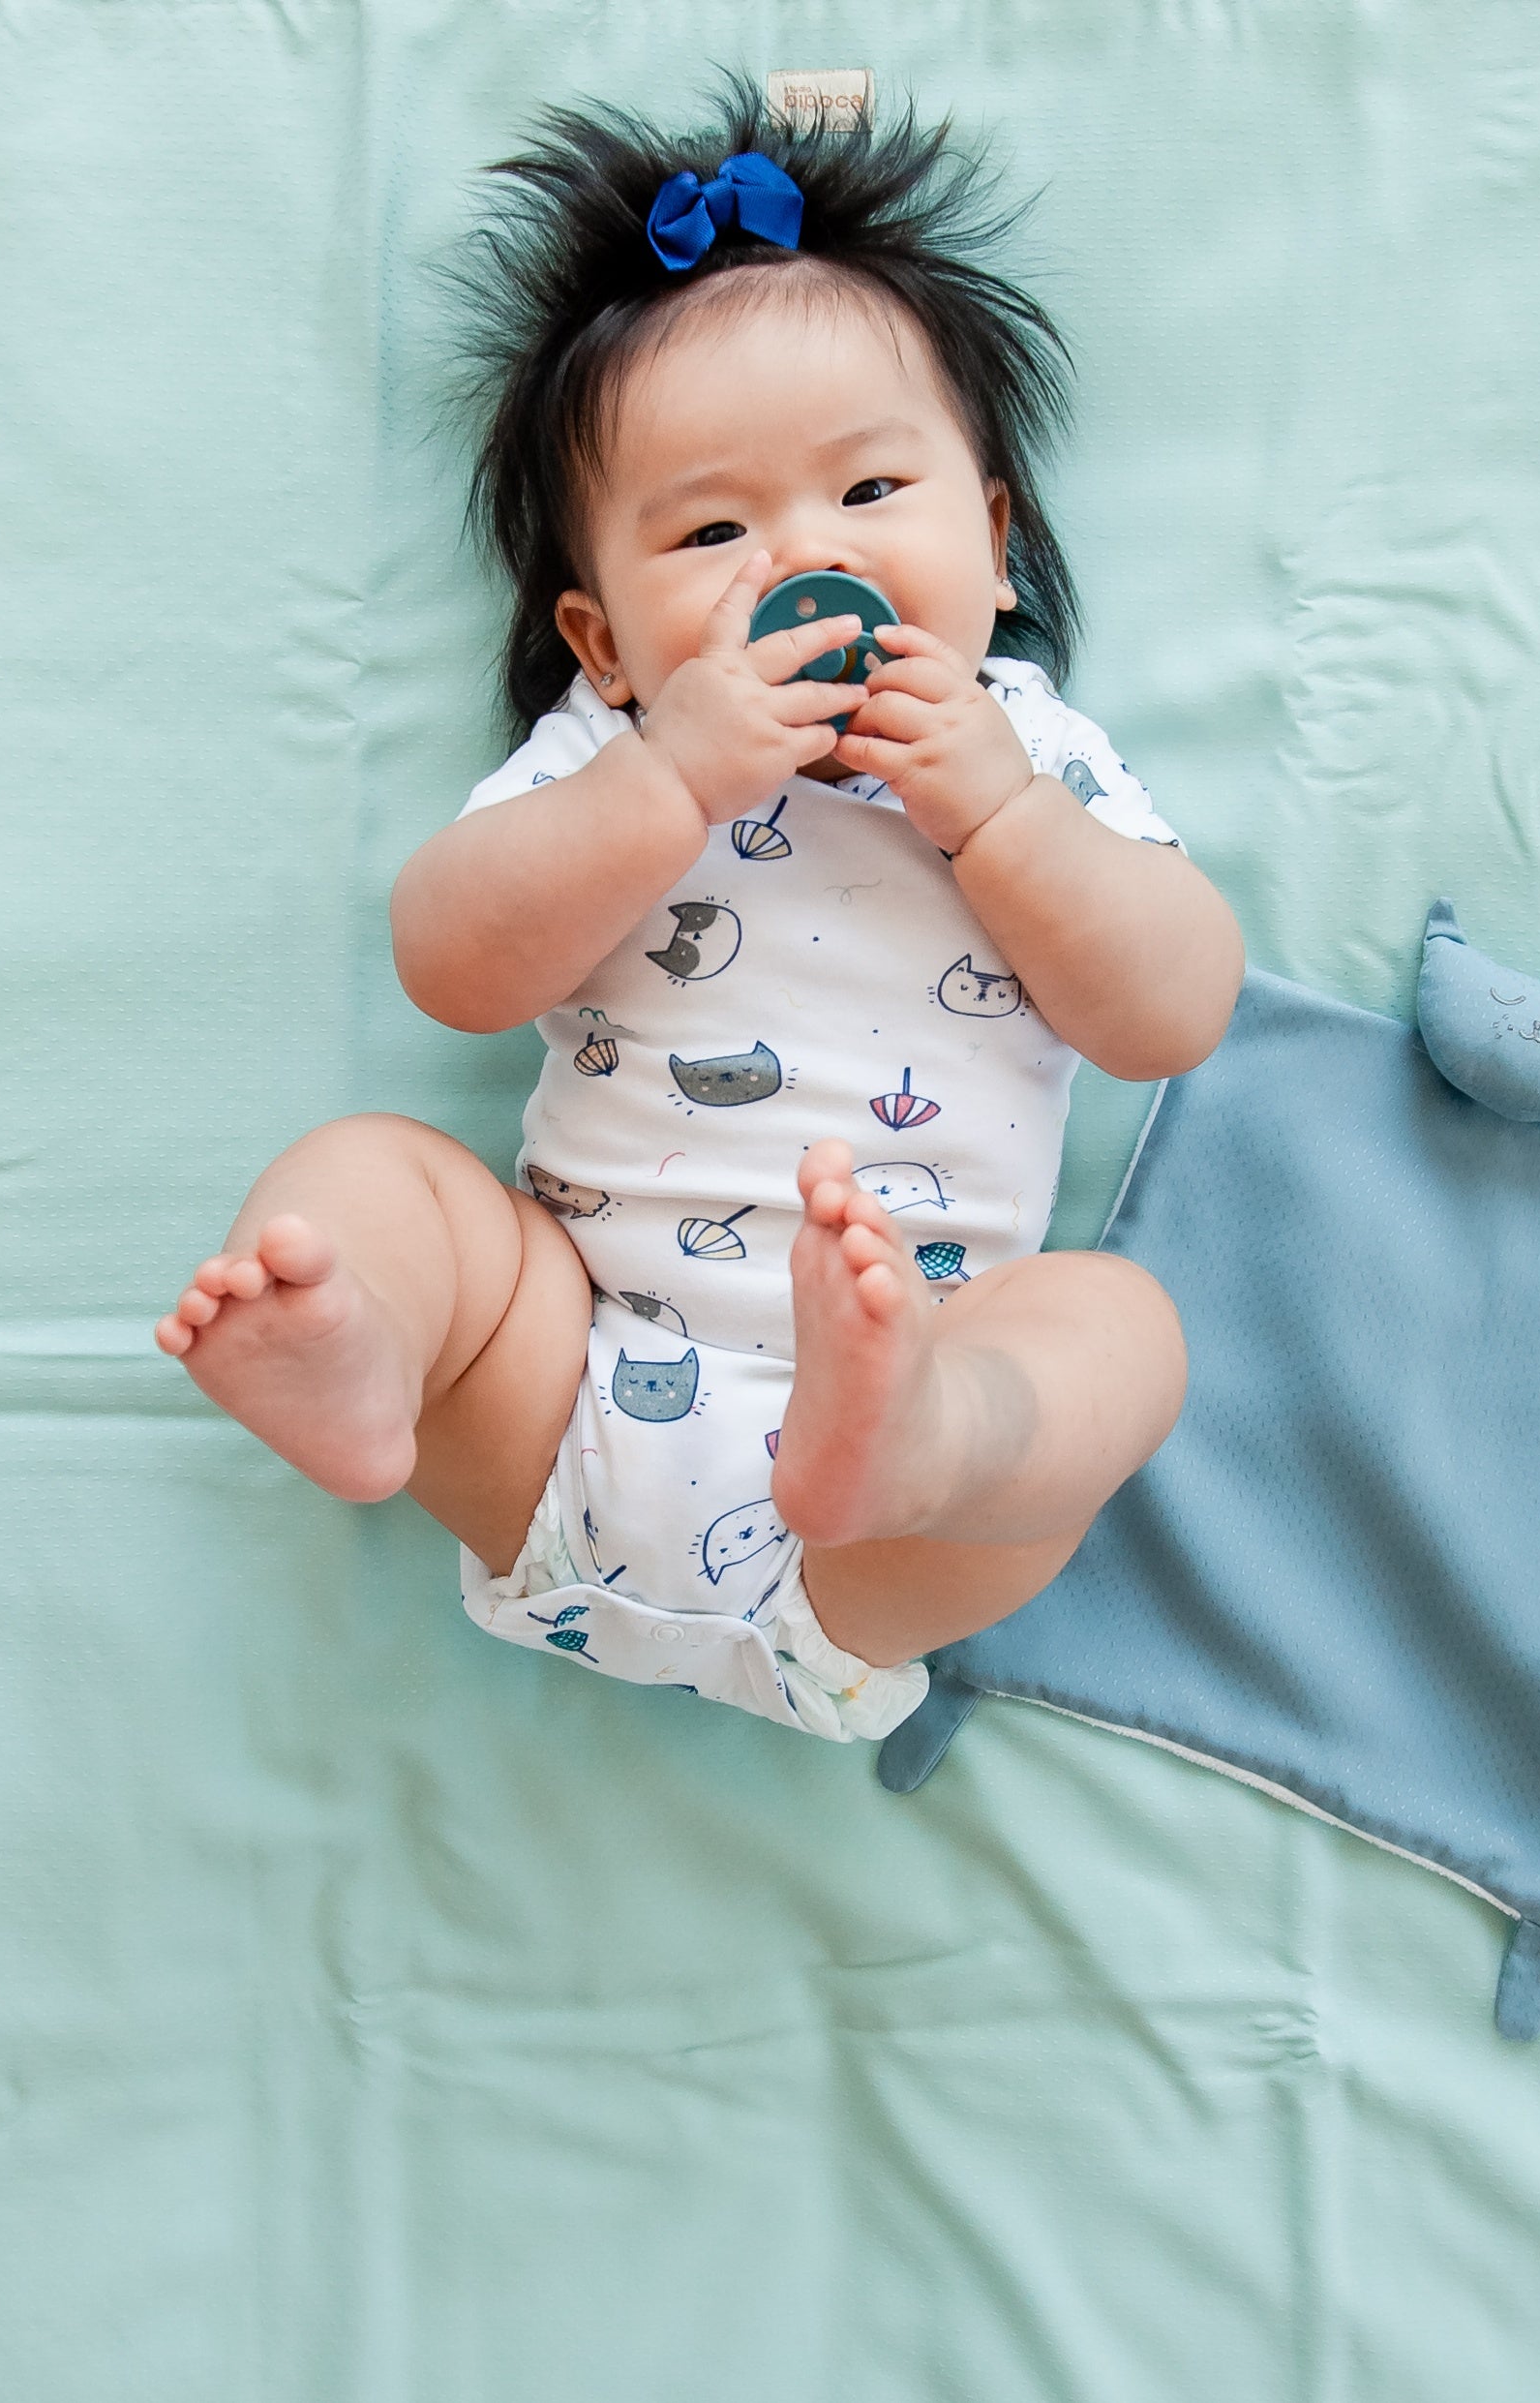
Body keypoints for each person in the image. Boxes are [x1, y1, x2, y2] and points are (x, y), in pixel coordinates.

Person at [155, 82, 1244, 1743]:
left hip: (868, 1532)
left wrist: (1002, 812)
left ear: (1000, 547)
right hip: (554, 1388)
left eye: (872, 494)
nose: (799, 560)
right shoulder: (602, 757)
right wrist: (669, 780)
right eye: (716, 527)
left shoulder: (1039, 758)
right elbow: (449, 963)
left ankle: (930, 1425)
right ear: (600, 642)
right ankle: (359, 1350)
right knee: (379, 1179)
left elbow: (1171, 1008)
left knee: (1118, 1336)